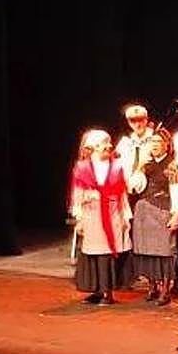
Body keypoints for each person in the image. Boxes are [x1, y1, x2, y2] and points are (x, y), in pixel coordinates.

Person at [71, 129, 132, 304]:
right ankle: (96, 289)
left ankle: (107, 291)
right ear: (95, 147)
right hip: (91, 213)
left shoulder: (117, 166)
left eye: (109, 143)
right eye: (104, 143)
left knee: (107, 252)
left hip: (112, 212)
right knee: (92, 251)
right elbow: (78, 193)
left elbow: (122, 193)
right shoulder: (82, 167)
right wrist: (79, 216)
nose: (109, 146)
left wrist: (126, 216)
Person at [128, 131, 178, 305]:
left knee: (165, 251)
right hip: (144, 211)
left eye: (159, 141)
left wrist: (176, 215)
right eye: (152, 141)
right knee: (146, 250)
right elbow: (133, 188)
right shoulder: (146, 164)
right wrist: (139, 167)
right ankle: (152, 286)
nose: (155, 144)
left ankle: (165, 290)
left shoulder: (173, 165)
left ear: (167, 145)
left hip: (163, 209)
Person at [114, 104, 154, 181]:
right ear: (128, 122)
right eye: (133, 121)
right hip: (129, 183)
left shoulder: (156, 138)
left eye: (140, 120)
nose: (137, 125)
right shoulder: (125, 142)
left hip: (152, 182)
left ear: (146, 120)